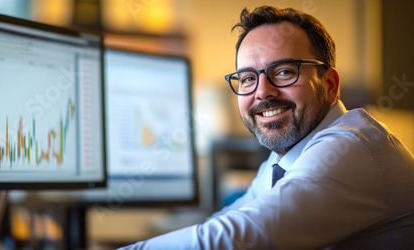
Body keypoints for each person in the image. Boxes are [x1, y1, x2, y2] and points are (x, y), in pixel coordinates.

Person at [119, 5, 414, 249]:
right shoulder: (284, 158)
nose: (262, 92)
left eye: (284, 72)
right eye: (248, 78)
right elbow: (225, 221)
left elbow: (238, 238)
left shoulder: (351, 149)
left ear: (330, 84)